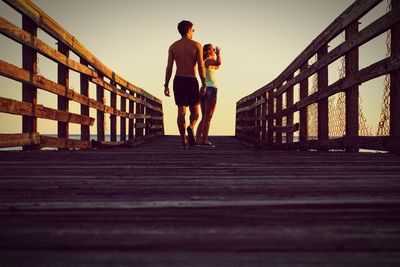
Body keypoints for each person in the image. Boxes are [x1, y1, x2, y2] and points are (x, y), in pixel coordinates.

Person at [164, 20, 206, 148]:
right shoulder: (197, 45)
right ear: (188, 30)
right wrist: (204, 84)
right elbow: (201, 66)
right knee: (196, 112)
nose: (193, 32)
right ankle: (191, 127)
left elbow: (169, 68)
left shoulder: (173, 46)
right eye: (193, 30)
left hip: (178, 80)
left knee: (181, 111)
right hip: (191, 80)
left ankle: (183, 141)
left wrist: (166, 85)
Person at [196, 44, 222, 147]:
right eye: (212, 48)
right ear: (207, 51)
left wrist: (214, 55)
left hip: (203, 89)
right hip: (211, 89)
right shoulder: (207, 61)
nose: (214, 49)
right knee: (208, 117)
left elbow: (218, 66)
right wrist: (219, 53)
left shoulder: (205, 62)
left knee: (204, 117)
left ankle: (197, 139)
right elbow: (219, 62)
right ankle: (204, 141)